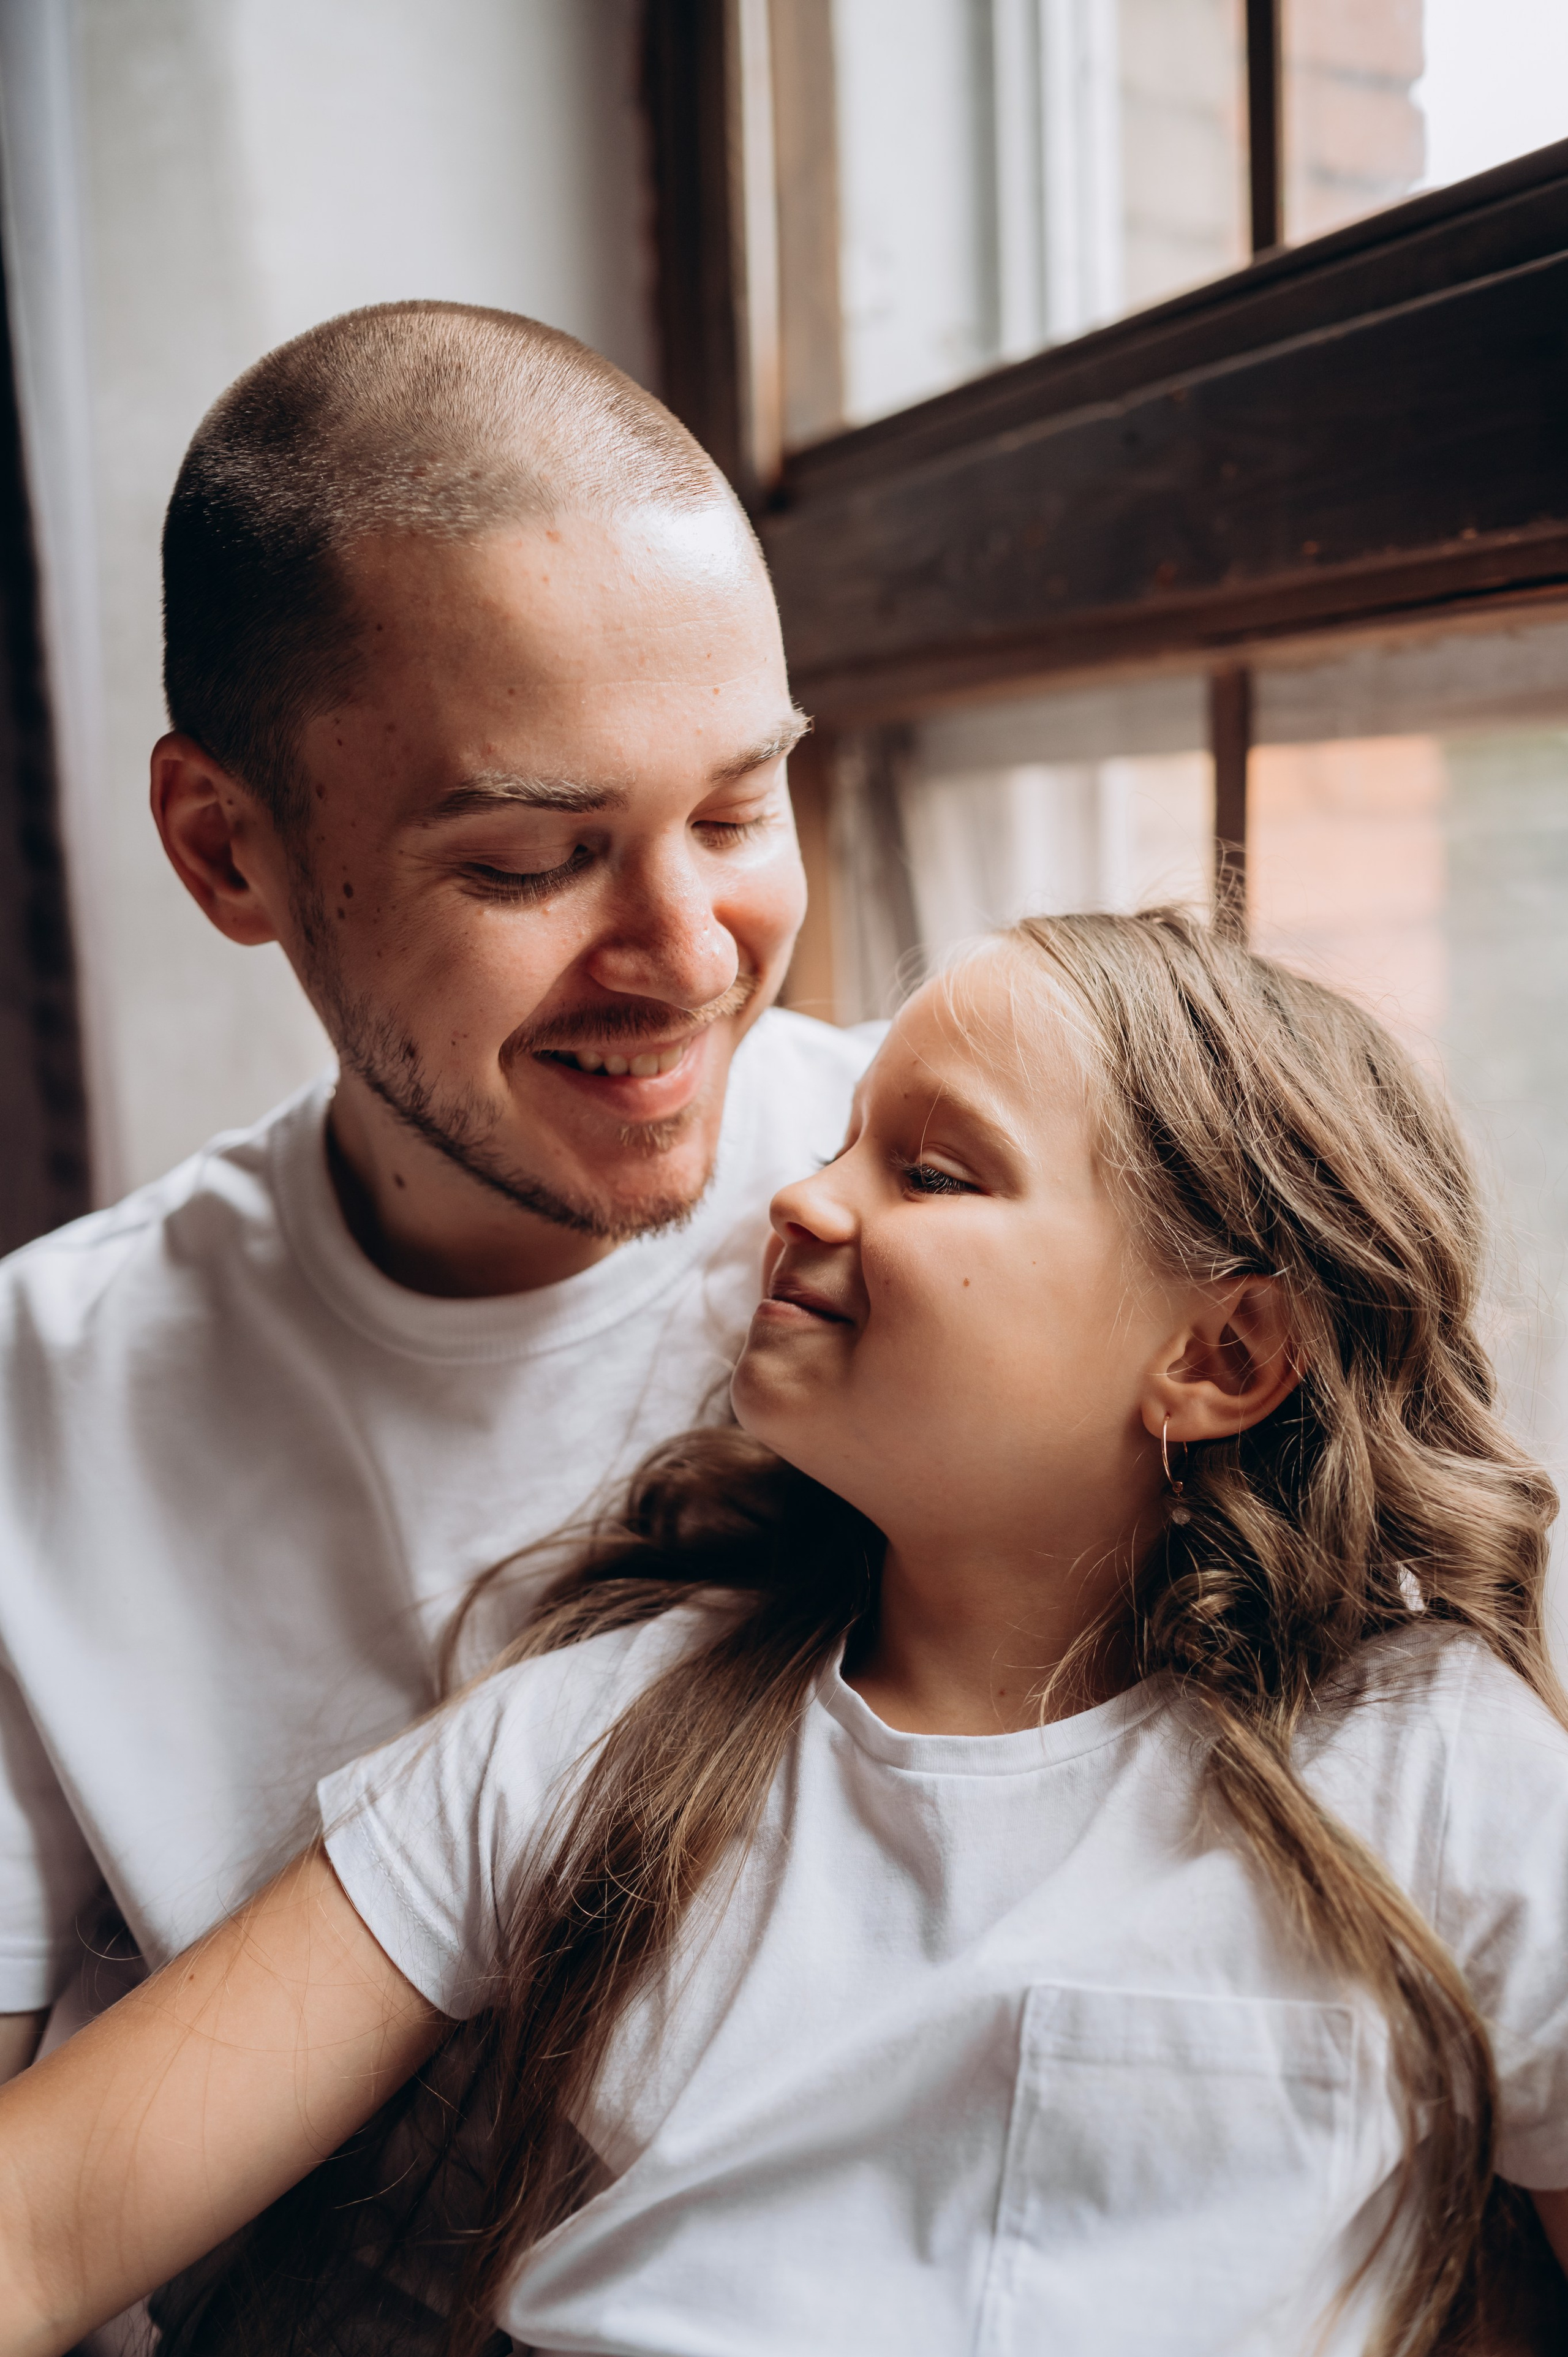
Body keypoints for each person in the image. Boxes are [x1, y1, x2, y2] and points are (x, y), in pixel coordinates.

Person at [2, 907, 1566, 2357]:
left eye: (934, 1170)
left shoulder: (1425, 1771)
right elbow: (49, 2223)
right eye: (840, 1141)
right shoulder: (585, 1737)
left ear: (1219, 1353)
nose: (801, 1199)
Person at [0, 301, 873, 2091]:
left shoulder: (1029, 1243)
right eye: (533, 861)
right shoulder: (43, 1400)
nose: (692, 956)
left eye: (737, 810)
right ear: (224, 849)